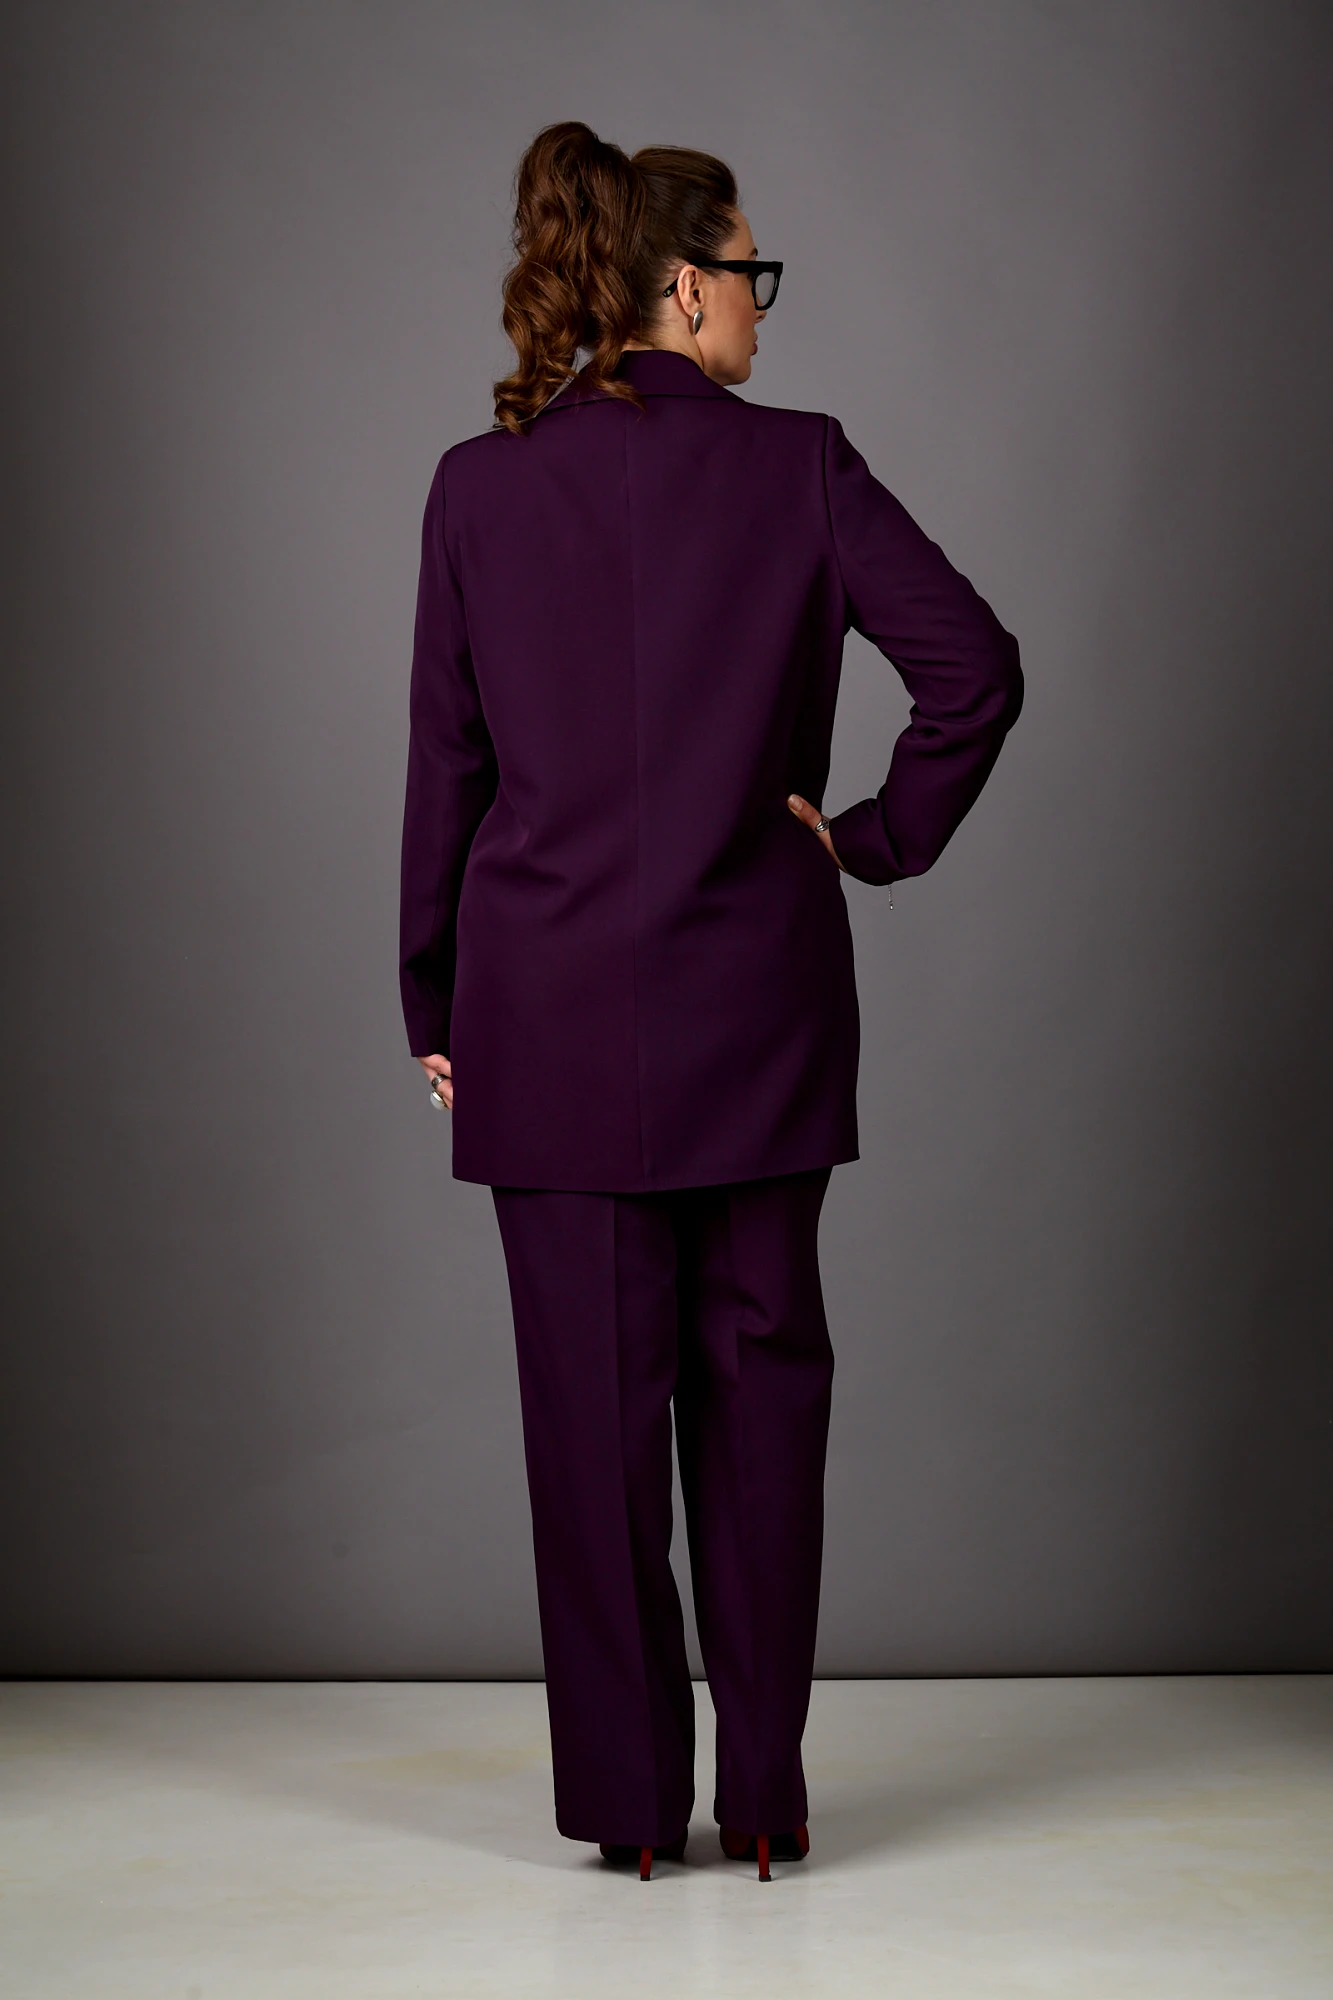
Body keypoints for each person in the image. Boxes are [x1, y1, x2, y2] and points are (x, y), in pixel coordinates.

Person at [398, 120, 1023, 1882]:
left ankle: (627, 1815)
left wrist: (433, 999)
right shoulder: (802, 468)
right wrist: (871, 839)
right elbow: (976, 669)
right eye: (752, 274)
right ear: (684, 286)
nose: (760, 305)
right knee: (760, 1414)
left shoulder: (478, 487)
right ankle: (763, 1799)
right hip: (760, 1014)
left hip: (543, 1020)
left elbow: (447, 771)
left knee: (590, 1438)